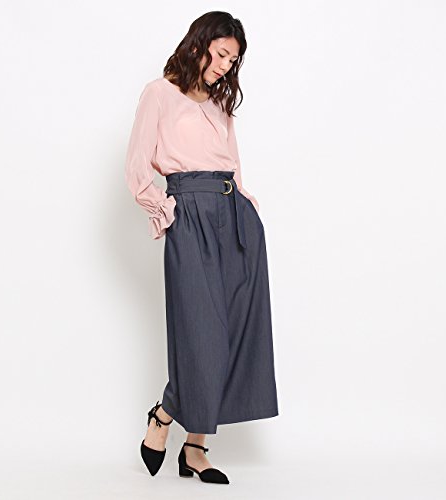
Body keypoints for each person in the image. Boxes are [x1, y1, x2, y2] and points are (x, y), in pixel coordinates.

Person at [124, 11, 279, 484]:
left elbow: (232, 165)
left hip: (235, 217)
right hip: (189, 213)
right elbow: (137, 167)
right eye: (222, 55)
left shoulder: (218, 104)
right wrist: (165, 209)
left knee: (236, 330)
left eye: (234, 60)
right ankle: (164, 415)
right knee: (201, 332)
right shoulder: (159, 94)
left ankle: (195, 447)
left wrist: (246, 209)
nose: (227, 66)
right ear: (199, 45)